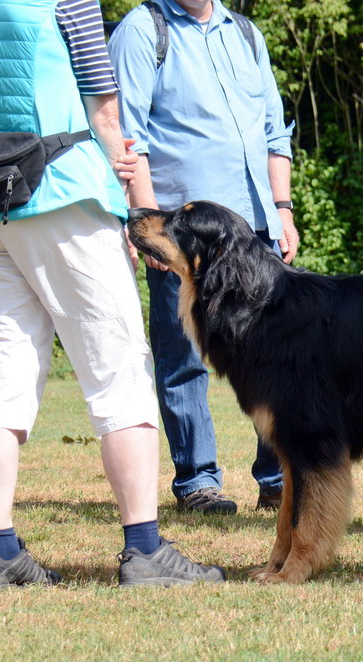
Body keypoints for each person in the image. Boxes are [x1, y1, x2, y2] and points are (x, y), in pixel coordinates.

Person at [0, 0, 223, 587]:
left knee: (3, 370)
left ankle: (0, 551)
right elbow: (105, 109)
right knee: (120, 370)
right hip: (63, 195)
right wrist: (139, 205)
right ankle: (144, 550)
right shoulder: (66, 1)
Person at [108, 0, 297, 516]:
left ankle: (278, 475)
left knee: (277, 355)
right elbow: (127, 136)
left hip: (255, 230)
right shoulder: (143, 29)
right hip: (184, 237)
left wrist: (282, 208)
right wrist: (144, 221)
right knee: (182, 358)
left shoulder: (245, 33)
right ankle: (198, 481)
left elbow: (274, 130)